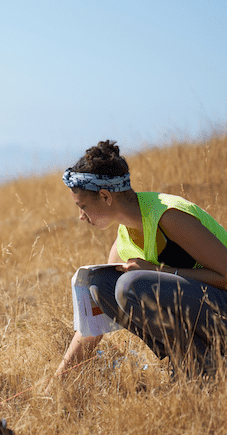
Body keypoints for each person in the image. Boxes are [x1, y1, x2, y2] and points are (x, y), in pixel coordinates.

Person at [56, 140, 227, 378]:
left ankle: (205, 368)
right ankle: (191, 363)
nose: (81, 217)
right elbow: (93, 323)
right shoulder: (123, 240)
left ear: (106, 196)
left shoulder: (168, 216)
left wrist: (158, 271)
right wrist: (58, 379)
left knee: (130, 286)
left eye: (83, 206)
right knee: (100, 282)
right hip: (210, 314)